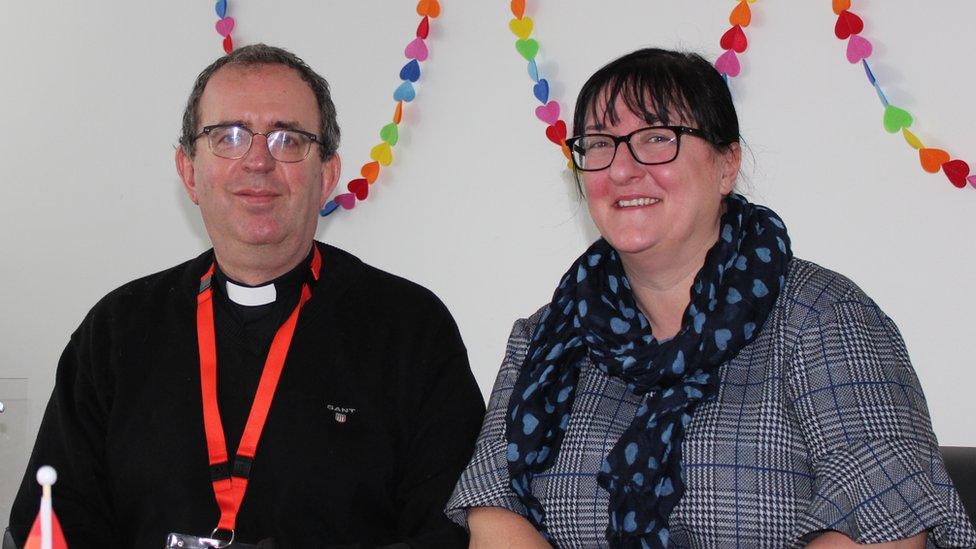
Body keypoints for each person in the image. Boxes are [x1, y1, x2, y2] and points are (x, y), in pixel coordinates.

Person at [447, 48, 976, 548]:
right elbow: (496, 508)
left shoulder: (824, 317)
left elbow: (886, 519)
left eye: (657, 138)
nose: (622, 168)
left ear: (726, 164)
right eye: (600, 143)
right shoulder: (544, 339)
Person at [8, 44, 485, 548]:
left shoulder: (410, 328)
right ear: (189, 170)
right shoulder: (115, 332)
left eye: (288, 139)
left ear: (326, 175)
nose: (258, 160)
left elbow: (449, 532)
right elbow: (52, 523)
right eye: (228, 136)